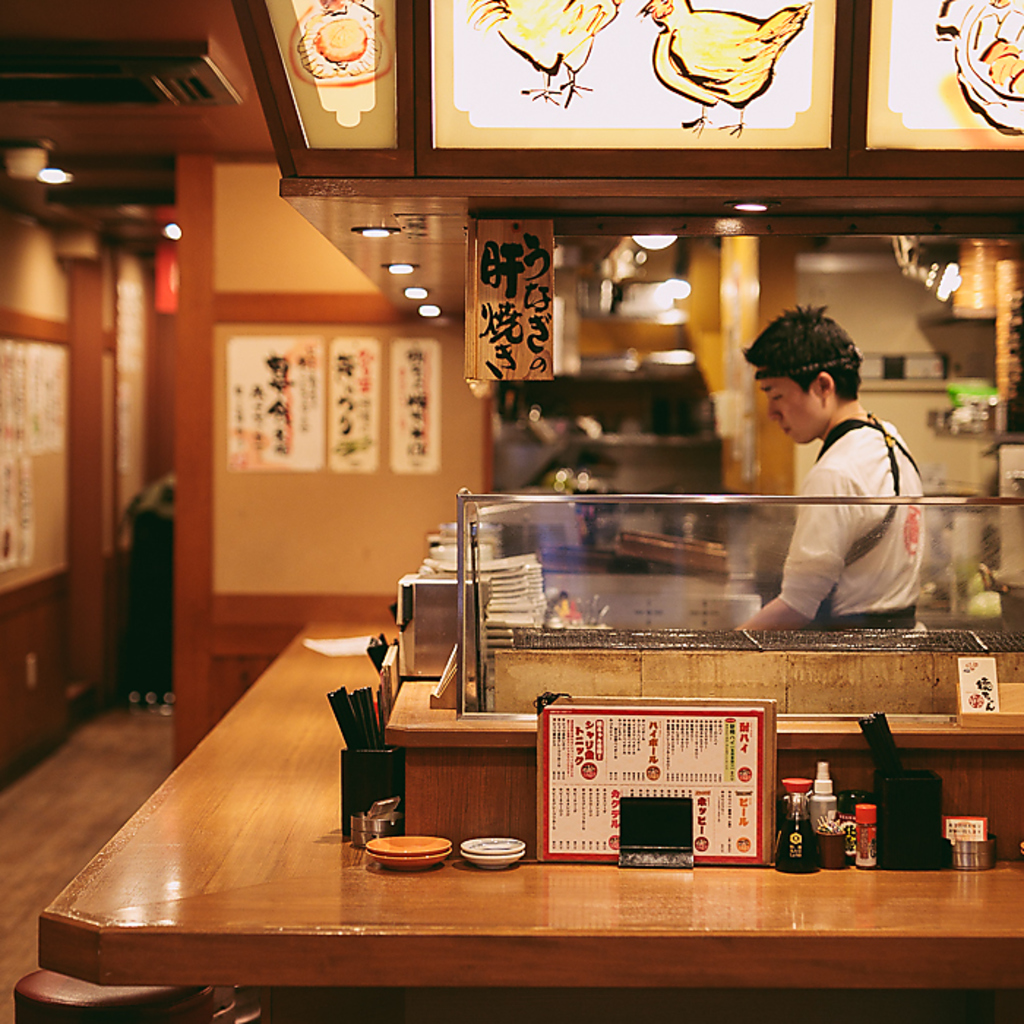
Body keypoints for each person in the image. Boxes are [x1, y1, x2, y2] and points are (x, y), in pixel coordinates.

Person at [737, 306, 923, 631]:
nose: (771, 413)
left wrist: (729, 645)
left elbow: (798, 606)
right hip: (902, 639)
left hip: (855, 651)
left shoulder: (835, 471)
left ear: (824, 385)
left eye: (777, 395)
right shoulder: (890, 437)